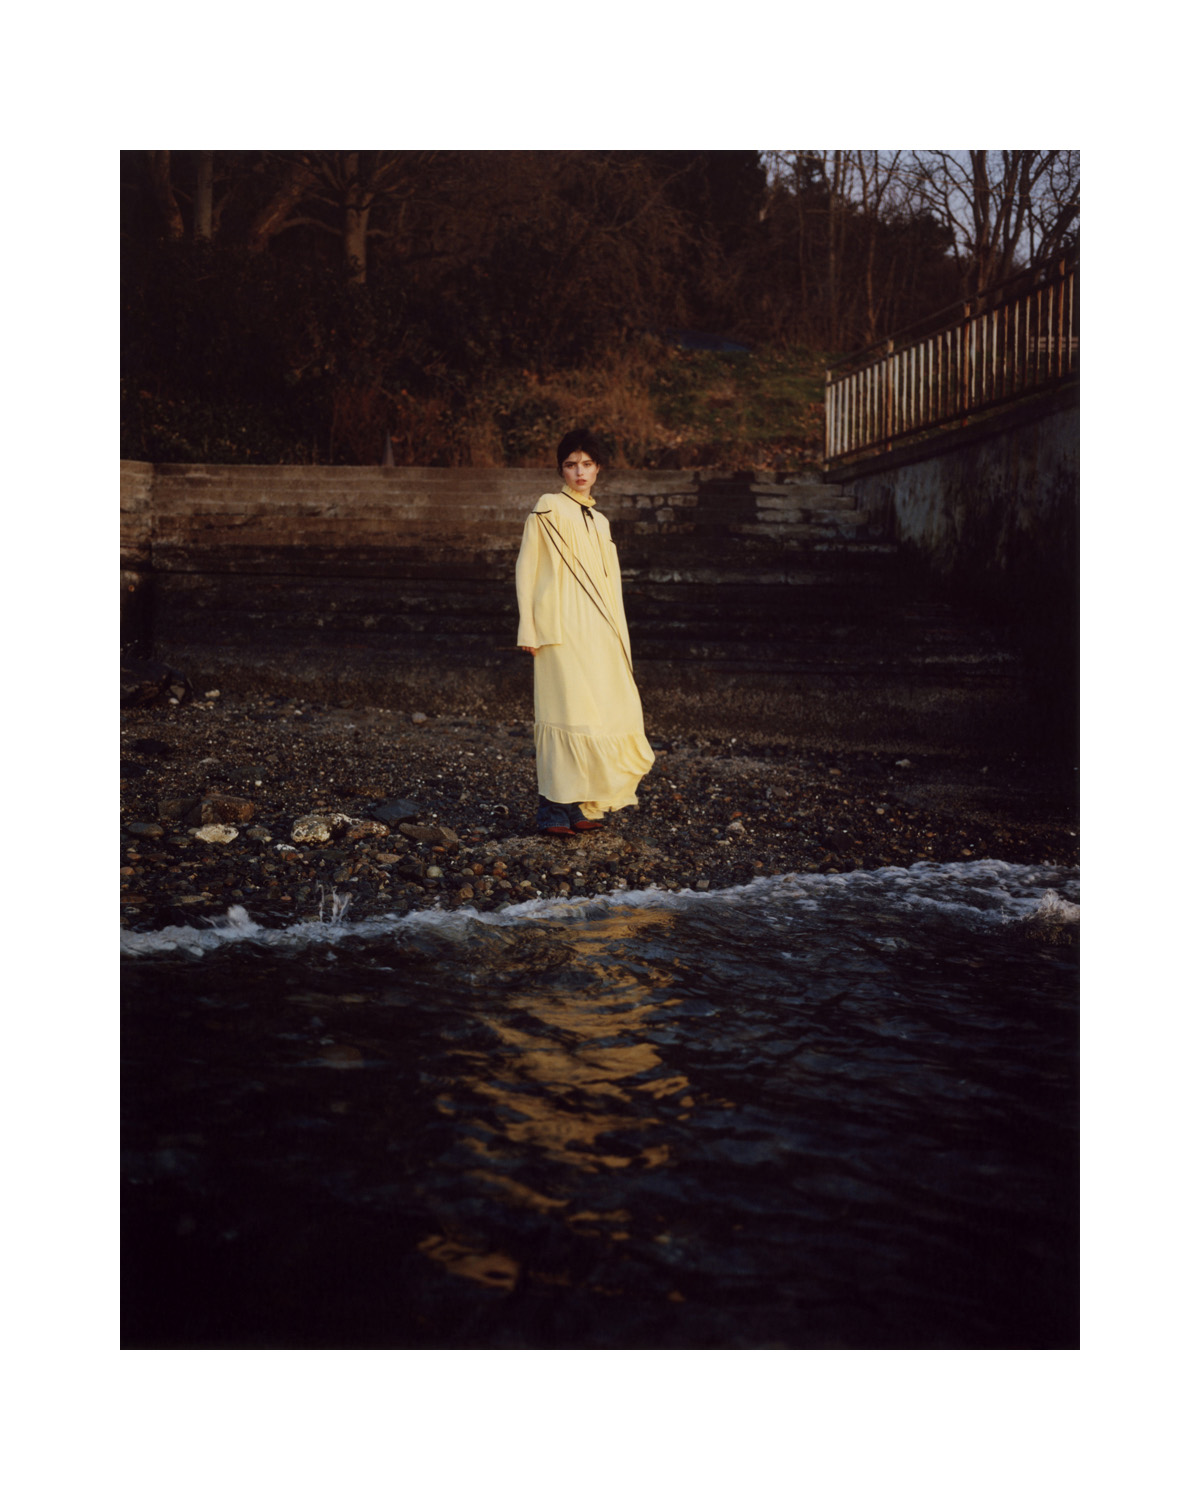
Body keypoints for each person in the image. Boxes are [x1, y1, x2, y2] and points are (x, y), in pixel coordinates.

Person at [515, 429, 655, 835]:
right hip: (559, 628)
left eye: (587, 464)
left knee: (595, 713)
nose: (580, 472)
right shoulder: (549, 507)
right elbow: (527, 566)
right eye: (571, 464)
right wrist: (528, 626)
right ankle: (551, 810)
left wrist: (619, 638)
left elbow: (611, 587)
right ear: (561, 469)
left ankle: (577, 804)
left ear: (598, 469)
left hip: (598, 631)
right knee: (564, 712)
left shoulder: (601, 521)